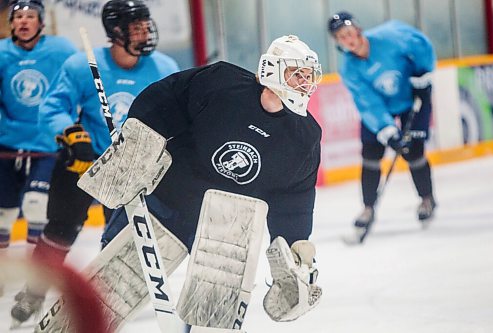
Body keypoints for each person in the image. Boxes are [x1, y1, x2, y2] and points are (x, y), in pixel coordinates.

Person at [45, 34, 323, 331]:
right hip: (168, 201)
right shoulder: (222, 83)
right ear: (271, 69)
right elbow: (165, 98)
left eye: (308, 76)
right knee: (113, 285)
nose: (304, 83)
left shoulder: (304, 136)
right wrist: (138, 142)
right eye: (296, 74)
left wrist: (296, 244)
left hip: (227, 226)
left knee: (212, 315)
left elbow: (294, 197)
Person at [10, 0, 179, 326]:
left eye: (146, 23)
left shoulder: (166, 68)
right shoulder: (81, 65)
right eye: (136, 25)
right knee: (59, 231)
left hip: (129, 167)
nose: (145, 30)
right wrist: (71, 132)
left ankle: (111, 292)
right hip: (83, 164)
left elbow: (181, 115)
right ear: (116, 31)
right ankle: (34, 289)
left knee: (118, 238)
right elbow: (52, 107)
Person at [328, 12, 437, 241]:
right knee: (370, 154)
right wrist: (387, 131)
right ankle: (368, 207)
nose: (348, 39)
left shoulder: (389, 36)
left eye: (348, 33)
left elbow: (420, 43)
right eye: (341, 37)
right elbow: (368, 103)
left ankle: (427, 199)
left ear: (357, 29)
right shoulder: (349, 69)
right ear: (338, 43)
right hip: (381, 110)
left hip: (412, 97)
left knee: (414, 151)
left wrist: (423, 72)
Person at [0, 0, 77, 248]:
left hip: (46, 142)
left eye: (30, 16)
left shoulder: (61, 49)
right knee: (3, 215)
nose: (24, 21)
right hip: (7, 142)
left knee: (36, 206)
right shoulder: (2, 53)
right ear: (11, 23)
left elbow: (78, 82)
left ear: (41, 23)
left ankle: (33, 277)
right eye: (18, 16)